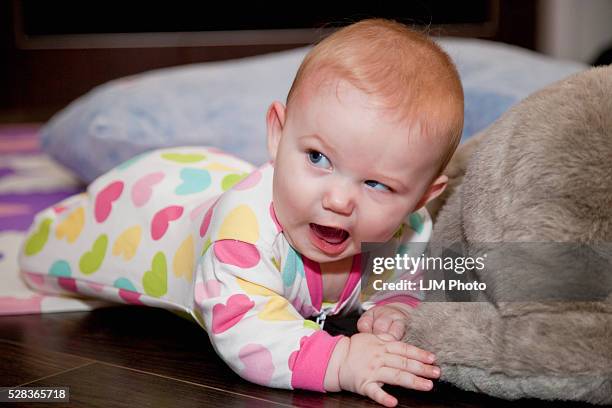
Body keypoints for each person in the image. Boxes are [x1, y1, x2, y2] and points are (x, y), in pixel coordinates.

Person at [196, 18, 464, 407]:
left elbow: (407, 278)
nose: (338, 200)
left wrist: (397, 307)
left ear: (422, 197)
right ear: (278, 134)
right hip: (148, 215)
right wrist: (339, 360)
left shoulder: (408, 230)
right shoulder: (241, 234)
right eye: (318, 157)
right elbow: (242, 325)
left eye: (377, 184)